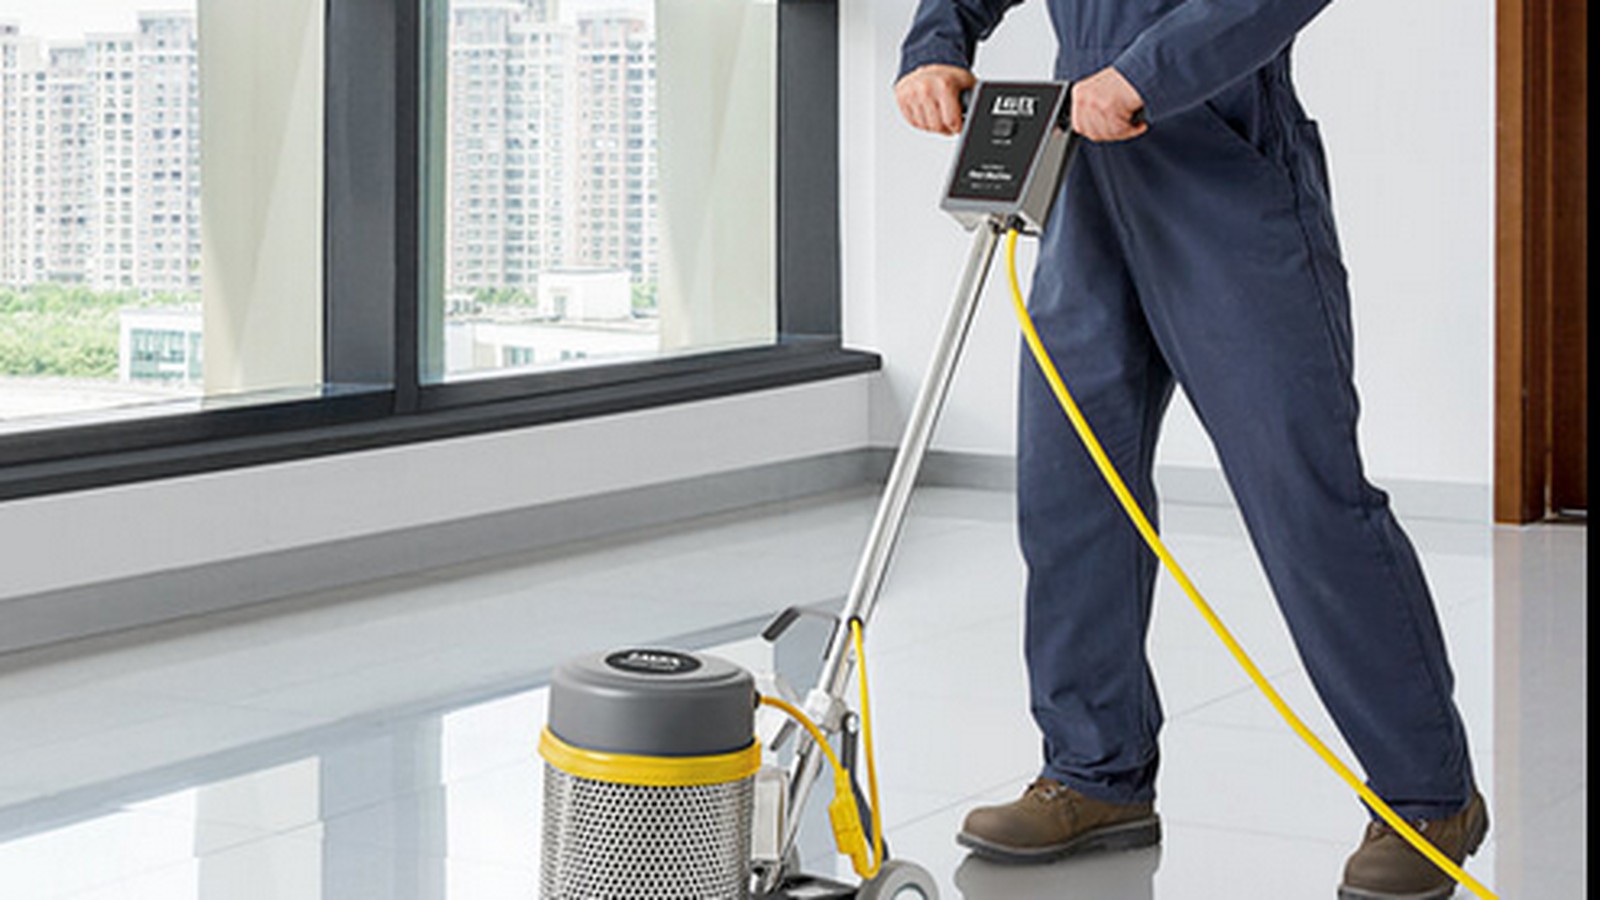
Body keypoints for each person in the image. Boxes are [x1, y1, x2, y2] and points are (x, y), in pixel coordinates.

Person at [893, 2, 1487, 898]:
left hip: (1216, 152)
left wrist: (1150, 73)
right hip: (1084, 168)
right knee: (1070, 490)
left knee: (1302, 495)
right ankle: (1097, 774)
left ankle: (1428, 796)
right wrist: (933, 44)